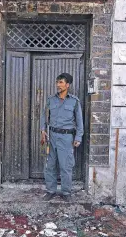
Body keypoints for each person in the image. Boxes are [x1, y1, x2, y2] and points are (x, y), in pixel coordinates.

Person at [40, 73, 84, 202]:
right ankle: (50, 191)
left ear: (67, 85)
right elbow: (44, 116)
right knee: (50, 166)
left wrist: (78, 137)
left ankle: (66, 192)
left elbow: (79, 121)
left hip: (66, 138)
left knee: (66, 166)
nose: (58, 85)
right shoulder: (50, 100)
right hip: (52, 137)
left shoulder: (74, 102)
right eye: (57, 82)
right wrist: (43, 130)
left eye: (61, 82)